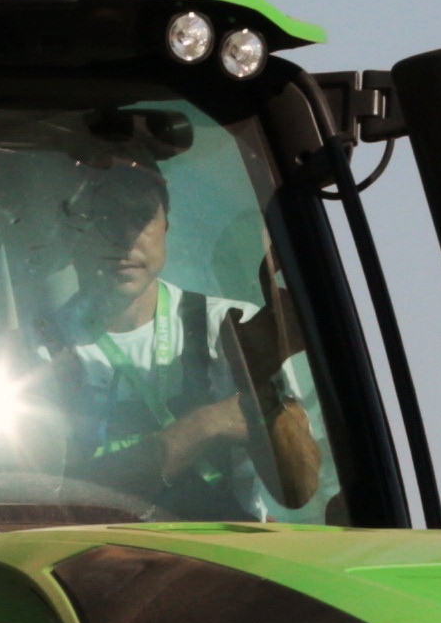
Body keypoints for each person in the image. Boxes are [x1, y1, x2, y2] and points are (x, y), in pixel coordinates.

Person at [49, 158, 330, 515]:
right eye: (105, 217)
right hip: (95, 562)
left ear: (166, 225)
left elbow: (298, 490)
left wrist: (261, 385)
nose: (124, 238)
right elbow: (54, 504)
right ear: (72, 232)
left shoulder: (231, 326)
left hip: (226, 557)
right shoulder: (38, 349)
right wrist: (206, 424)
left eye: (141, 217)